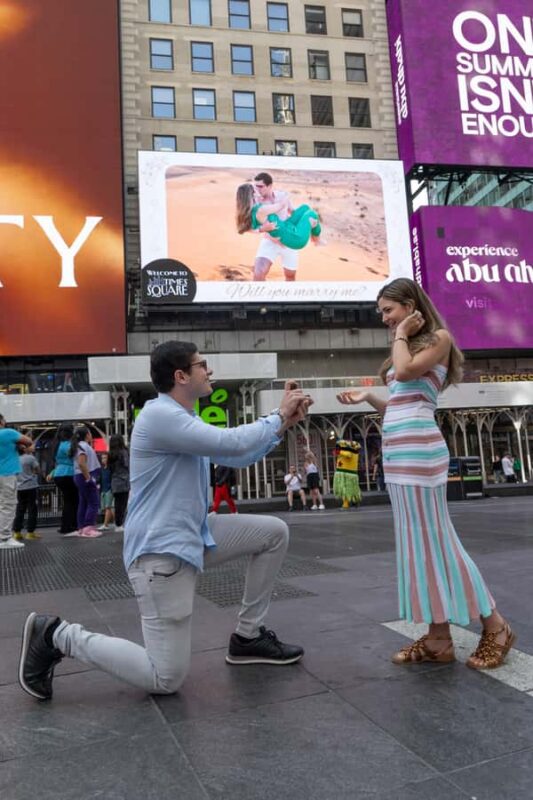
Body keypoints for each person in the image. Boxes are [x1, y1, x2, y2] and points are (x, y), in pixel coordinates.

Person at [19, 340, 311, 702]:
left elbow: (235, 456)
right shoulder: (160, 416)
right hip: (161, 553)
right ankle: (56, 635)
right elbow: (232, 443)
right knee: (165, 677)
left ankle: (248, 637)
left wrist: (281, 426)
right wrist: (278, 415)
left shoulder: (183, 418)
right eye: (202, 364)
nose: (209, 370)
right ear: (181, 376)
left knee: (273, 533)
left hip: (193, 536)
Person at [336, 278, 515, 671]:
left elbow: (404, 371)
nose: (385, 319)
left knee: (438, 542)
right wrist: (368, 396)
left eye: (389, 310)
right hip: (399, 454)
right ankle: (438, 638)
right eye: (382, 313)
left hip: (420, 452)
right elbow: (401, 404)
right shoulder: (407, 348)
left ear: (410, 305)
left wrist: (401, 333)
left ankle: (496, 626)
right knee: (417, 546)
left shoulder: (439, 338)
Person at [0, 415, 32, 549]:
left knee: (1, 506)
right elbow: (28, 441)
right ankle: (5, 538)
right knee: (8, 505)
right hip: (7, 474)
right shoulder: (8, 432)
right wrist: (19, 445)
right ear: (1, 421)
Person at [68, 426, 102, 538]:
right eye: (90, 433)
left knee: (83, 502)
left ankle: (81, 527)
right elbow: (82, 463)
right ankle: (88, 527)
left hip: (80, 476)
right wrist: (89, 478)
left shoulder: (79, 446)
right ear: (87, 435)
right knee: (93, 502)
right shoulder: (83, 446)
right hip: (85, 476)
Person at [48, 423, 79, 535]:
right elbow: (75, 458)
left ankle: (65, 525)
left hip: (58, 474)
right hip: (69, 473)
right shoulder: (69, 445)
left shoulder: (57, 444)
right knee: (73, 501)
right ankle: (71, 526)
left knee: (67, 501)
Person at [12, 444, 41, 541]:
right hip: (30, 486)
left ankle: (17, 532)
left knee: (20, 509)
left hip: (19, 488)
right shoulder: (30, 458)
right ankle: (30, 532)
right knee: (32, 509)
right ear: (24, 449)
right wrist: (32, 473)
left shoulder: (14, 459)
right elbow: (38, 470)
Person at [108, 434, 130, 533]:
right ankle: (121, 523)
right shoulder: (124, 452)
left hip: (115, 480)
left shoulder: (111, 454)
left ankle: (118, 523)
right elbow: (127, 465)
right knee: (123, 503)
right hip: (124, 480)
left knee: (117, 503)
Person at [97, 452, 114, 531]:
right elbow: (99, 479)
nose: (103, 459)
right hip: (103, 490)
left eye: (105, 458)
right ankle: (116, 521)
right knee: (106, 508)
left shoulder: (110, 469)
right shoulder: (101, 469)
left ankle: (105, 524)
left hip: (109, 489)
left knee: (108, 507)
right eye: (102, 458)